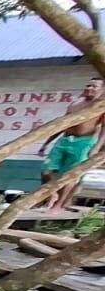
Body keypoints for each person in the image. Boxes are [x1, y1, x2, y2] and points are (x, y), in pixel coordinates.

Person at [37, 77, 103, 212]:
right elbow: (62, 124)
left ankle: (58, 206)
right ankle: (51, 195)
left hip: (84, 142)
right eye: (88, 85)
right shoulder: (76, 103)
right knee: (46, 172)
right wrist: (46, 143)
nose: (89, 88)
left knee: (71, 175)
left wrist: (96, 148)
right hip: (65, 140)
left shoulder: (101, 106)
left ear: (102, 89)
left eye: (94, 86)